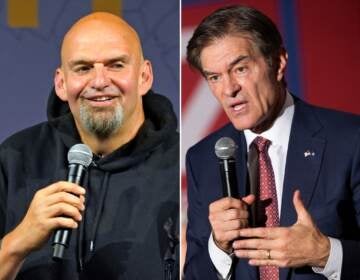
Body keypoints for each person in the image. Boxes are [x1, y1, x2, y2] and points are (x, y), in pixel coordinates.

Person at [184, 5, 360, 280]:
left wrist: (326, 254)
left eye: (240, 69)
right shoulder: (202, 158)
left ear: (277, 63)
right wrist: (219, 247)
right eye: (214, 77)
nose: (228, 89)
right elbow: (195, 274)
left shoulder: (350, 140)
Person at [0, 12, 179, 280]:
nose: (99, 81)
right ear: (61, 83)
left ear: (144, 76)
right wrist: (17, 244)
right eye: (83, 68)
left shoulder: (181, 164)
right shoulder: (15, 158)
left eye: (116, 65)